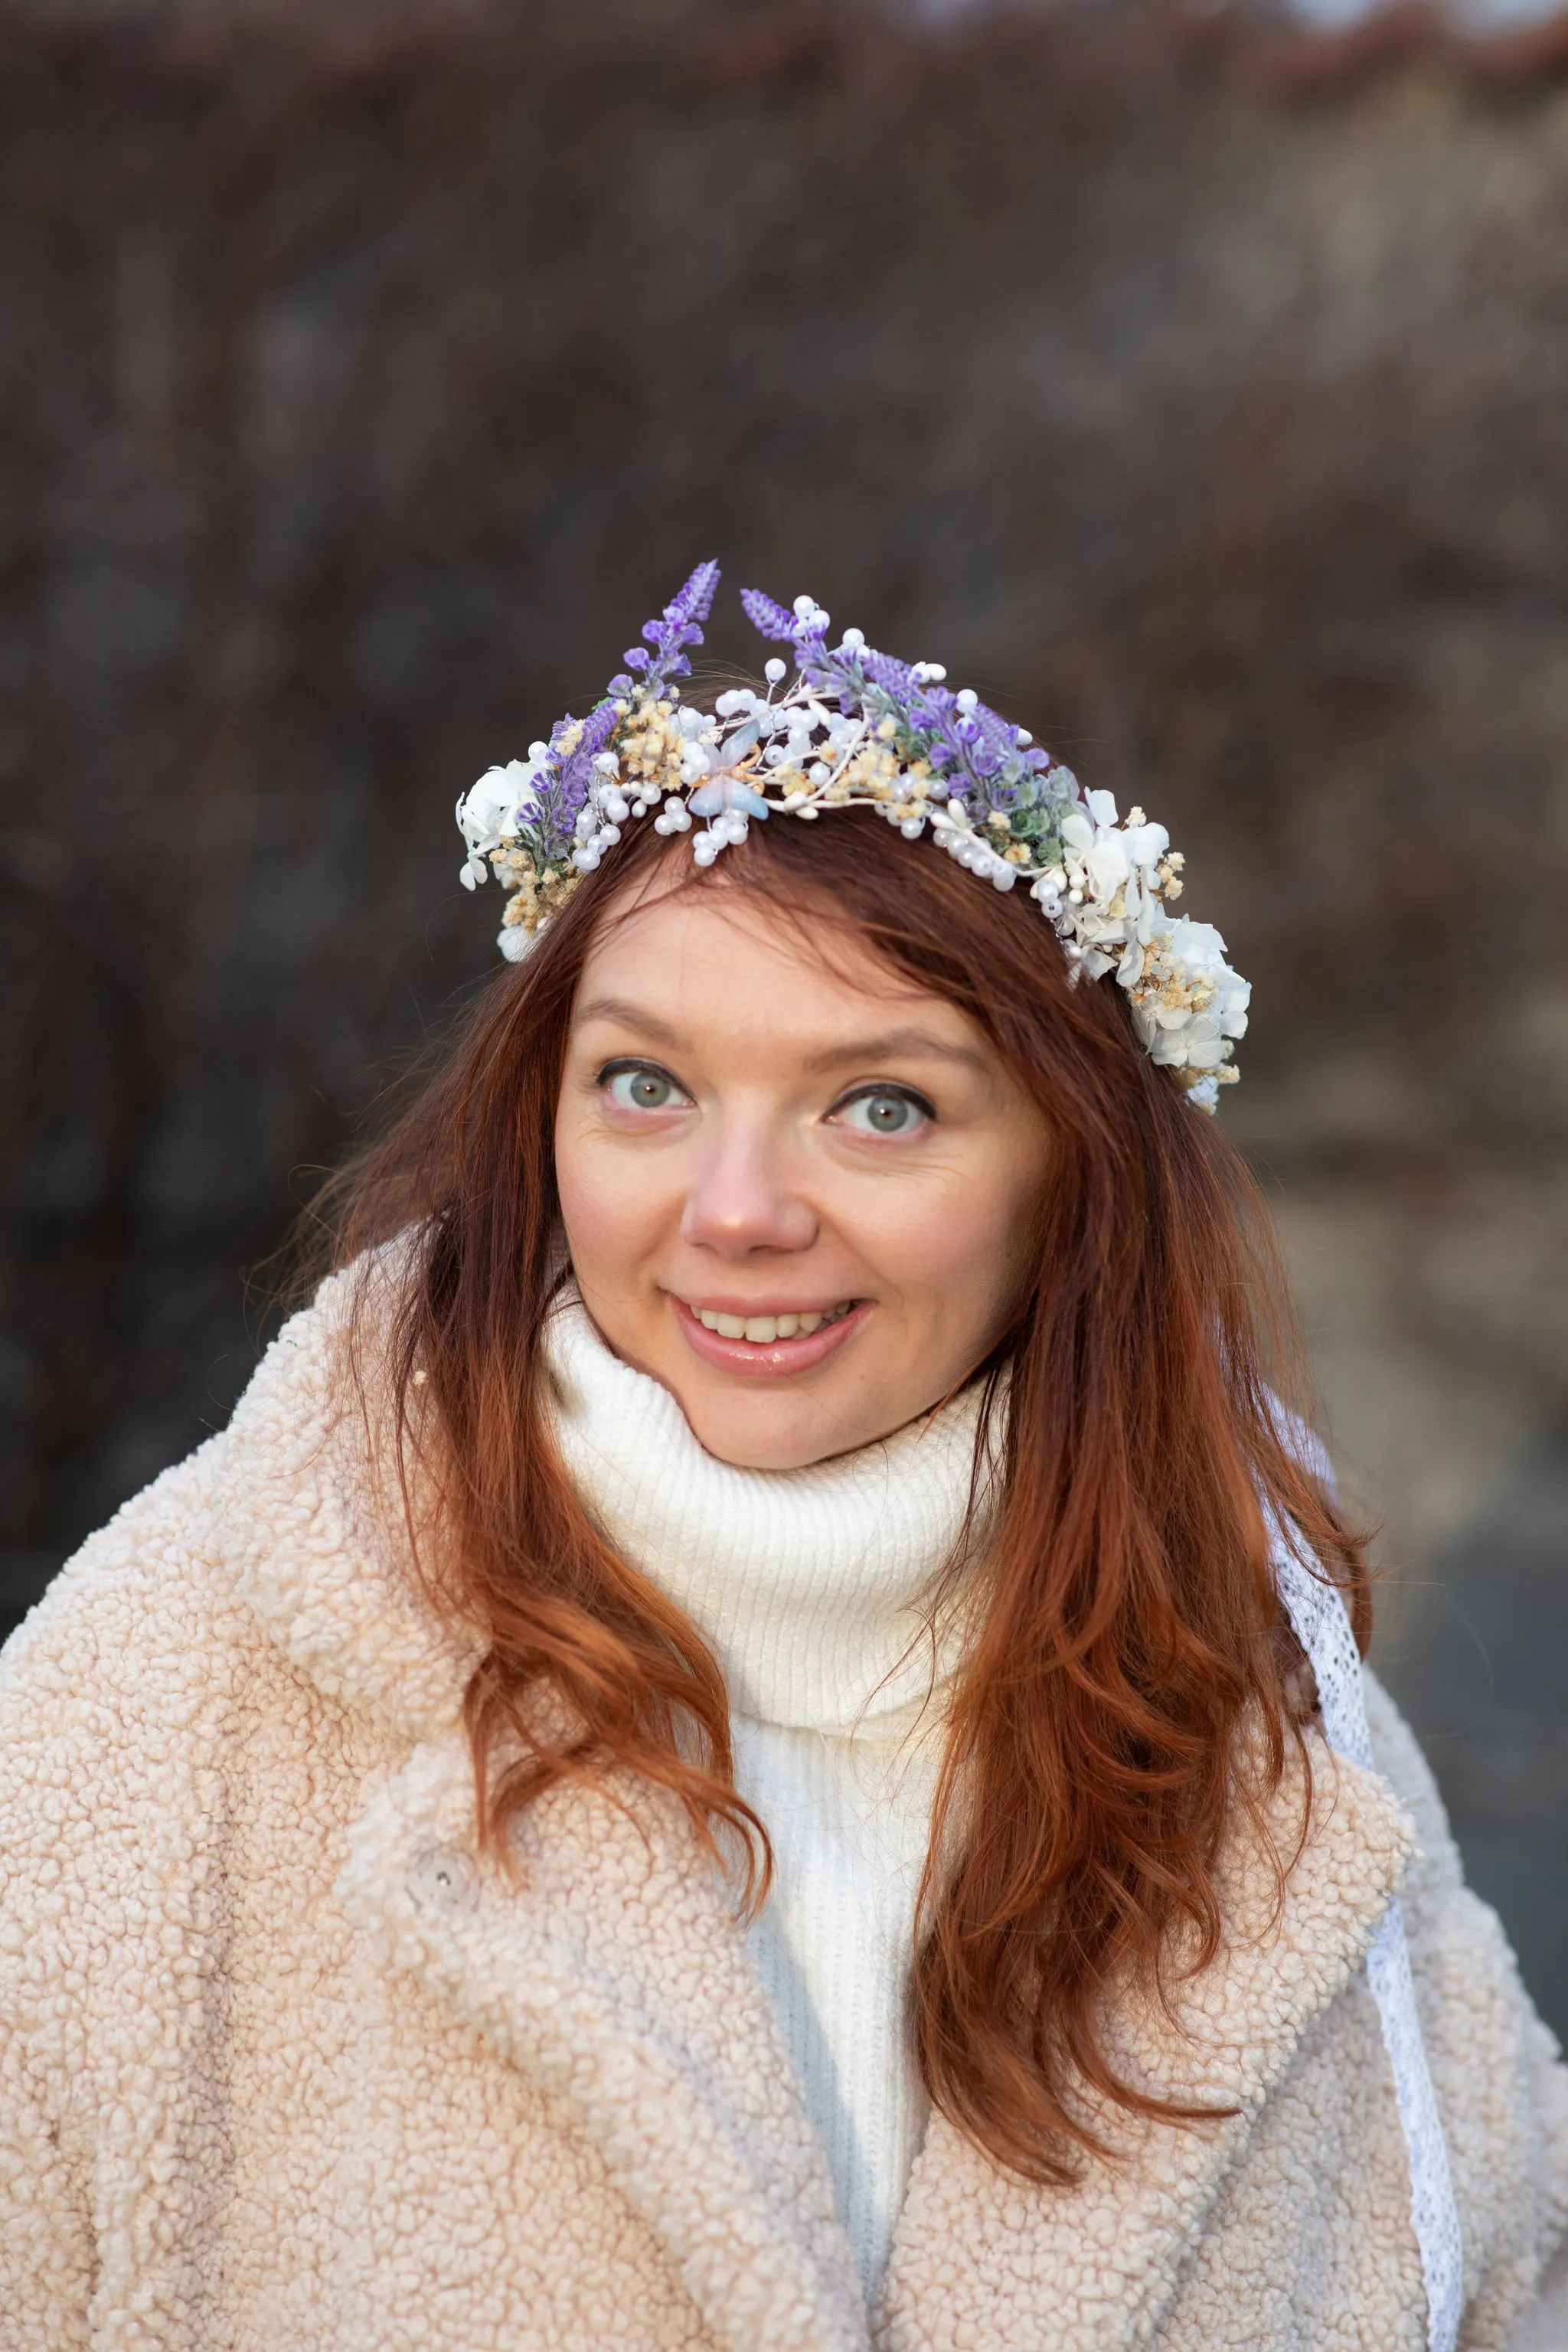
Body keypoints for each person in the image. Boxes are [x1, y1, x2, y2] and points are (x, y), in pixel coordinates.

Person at [1, 565, 1563, 2352]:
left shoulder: (1273, 1743)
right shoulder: (166, 1683)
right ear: (543, 1117)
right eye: (646, 1086)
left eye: (879, 1106)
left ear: (1074, 1180)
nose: (736, 1214)